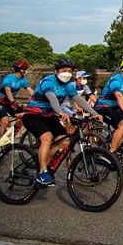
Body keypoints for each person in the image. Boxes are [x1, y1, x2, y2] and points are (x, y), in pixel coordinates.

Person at [23, 58, 101, 186]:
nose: (67, 73)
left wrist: (95, 113)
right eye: (64, 70)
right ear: (56, 71)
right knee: (47, 138)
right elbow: (52, 98)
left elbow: (79, 99)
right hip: (33, 115)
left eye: (70, 70)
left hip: (49, 116)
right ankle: (42, 172)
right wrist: (60, 111)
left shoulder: (67, 86)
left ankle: (44, 163)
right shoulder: (48, 82)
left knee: (65, 142)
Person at [0, 60, 34, 136]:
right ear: (20, 70)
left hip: (10, 103)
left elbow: (30, 91)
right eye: (25, 69)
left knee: (24, 115)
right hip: (1, 102)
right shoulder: (8, 79)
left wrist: (40, 98)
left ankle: (10, 133)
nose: (26, 71)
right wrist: (13, 101)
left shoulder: (23, 80)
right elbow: (7, 91)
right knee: (5, 121)